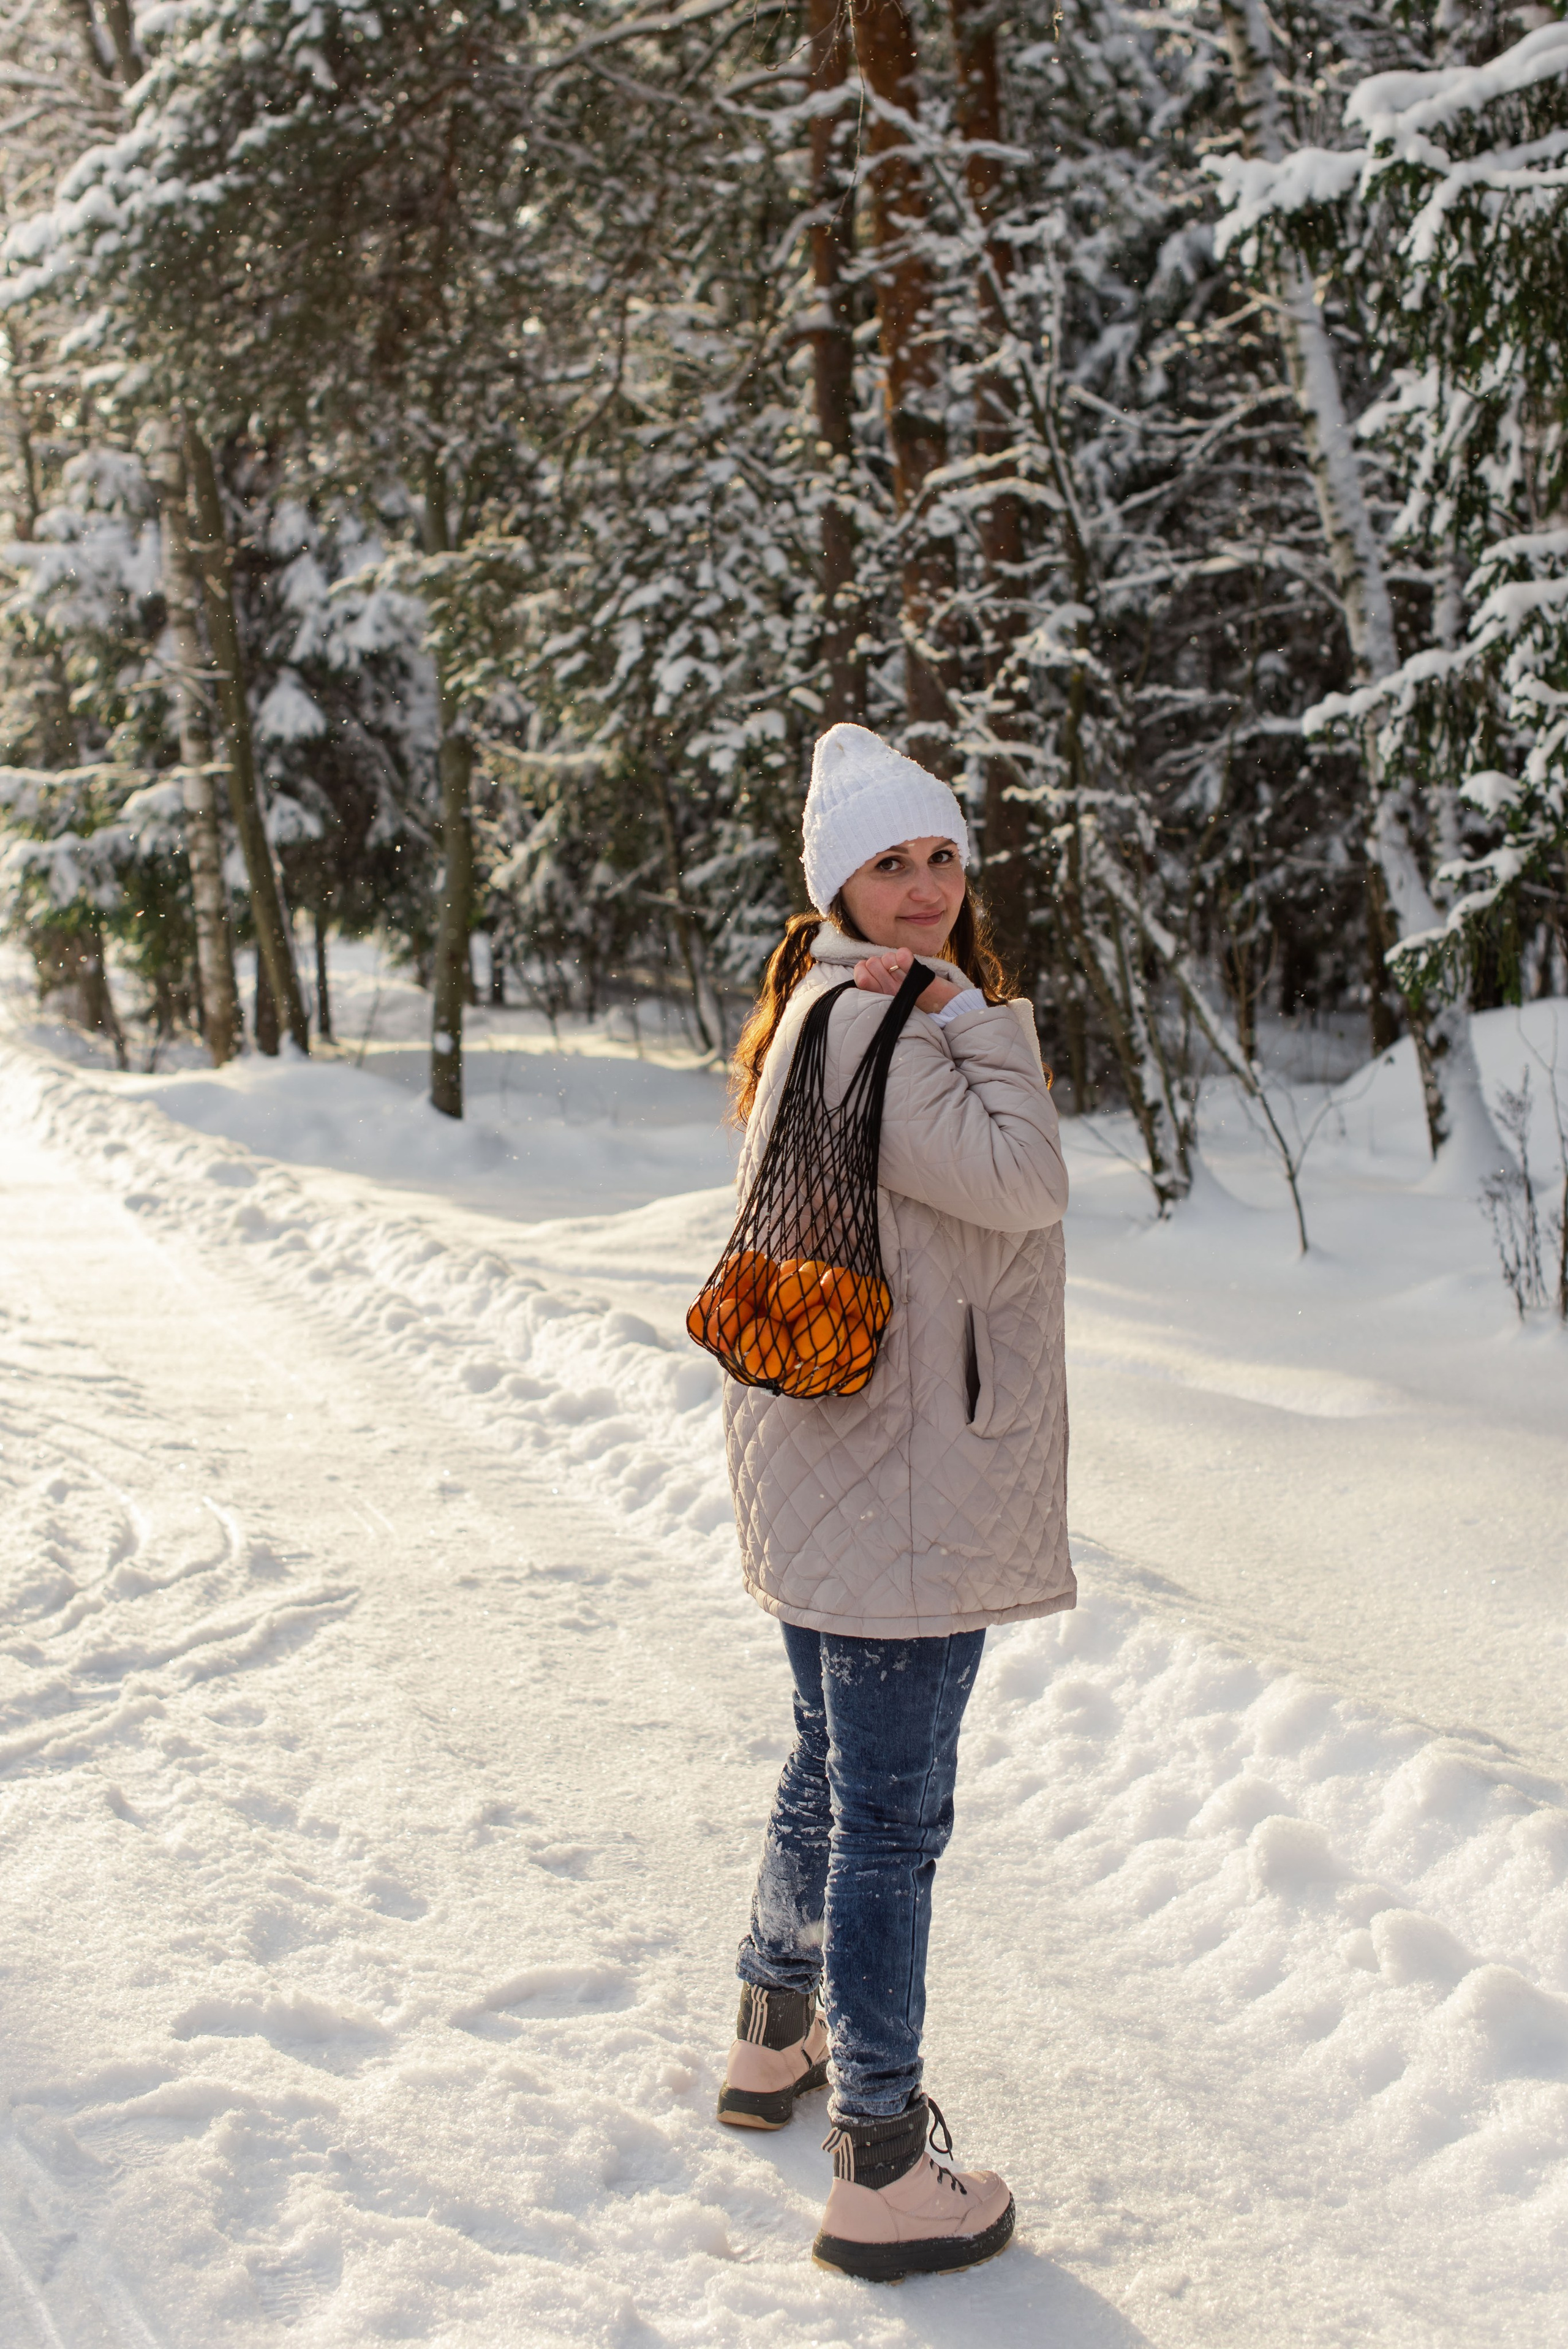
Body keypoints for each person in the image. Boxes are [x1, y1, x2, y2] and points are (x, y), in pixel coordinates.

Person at [709, 722, 1072, 2282]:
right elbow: (1022, 1177)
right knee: (893, 1819)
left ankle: (769, 2028)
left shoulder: (822, 1006)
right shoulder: (895, 1020)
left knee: (829, 1763)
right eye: (890, 864)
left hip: (838, 1455)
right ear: (837, 885)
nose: (924, 888)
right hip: (903, 1473)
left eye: (940, 856)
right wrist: (980, 1014)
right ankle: (877, 2160)